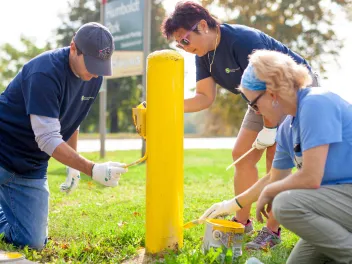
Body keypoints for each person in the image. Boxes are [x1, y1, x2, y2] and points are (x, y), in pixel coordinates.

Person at [161, 1, 319, 249]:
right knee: (241, 155)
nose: (184, 47)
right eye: (179, 44)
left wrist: (270, 129)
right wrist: (165, 103)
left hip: (290, 91)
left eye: (185, 40)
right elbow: (204, 98)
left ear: (203, 25)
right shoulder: (203, 55)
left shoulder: (242, 40)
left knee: (275, 158)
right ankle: (241, 222)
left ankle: (271, 231)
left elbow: (272, 89)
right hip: (259, 99)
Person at [200, 49, 352, 263]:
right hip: (338, 203)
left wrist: (272, 191)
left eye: (254, 104)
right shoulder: (286, 128)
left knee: (284, 204)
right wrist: (232, 204)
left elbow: (310, 177)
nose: (256, 112)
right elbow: (275, 177)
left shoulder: (316, 103)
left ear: (271, 94)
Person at [0, 22, 128, 250]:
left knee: (33, 242)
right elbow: (47, 138)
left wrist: (74, 166)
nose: (94, 72)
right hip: (3, 147)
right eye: (90, 64)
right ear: (73, 48)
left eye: (100, 66)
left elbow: (71, 122)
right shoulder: (44, 73)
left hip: (30, 165)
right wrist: (91, 169)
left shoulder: (94, 77)